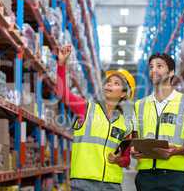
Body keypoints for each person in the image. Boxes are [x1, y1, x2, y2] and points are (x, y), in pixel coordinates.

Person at [56, 47, 135, 191]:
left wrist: (117, 159)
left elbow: (126, 159)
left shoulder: (125, 125)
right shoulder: (86, 108)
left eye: (116, 83)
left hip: (111, 185)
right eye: (109, 82)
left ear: (124, 94)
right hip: (83, 183)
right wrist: (61, 64)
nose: (110, 84)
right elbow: (62, 93)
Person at [131, 53, 184, 191]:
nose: (154, 70)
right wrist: (134, 151)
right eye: (151, 67)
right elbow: (135, 140)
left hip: (175, 177)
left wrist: (175, 151)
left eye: (159, 66)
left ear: (171, 72)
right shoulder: (140, 105)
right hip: (145, 177)